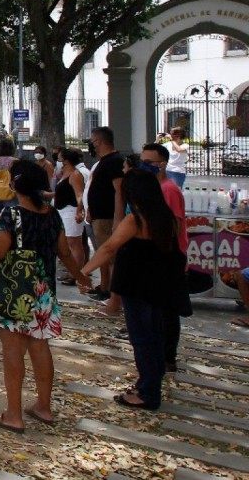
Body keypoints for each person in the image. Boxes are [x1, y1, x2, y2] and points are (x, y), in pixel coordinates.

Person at [0, 161, 89, 433]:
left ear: (16, 185)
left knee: (13, 352)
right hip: (44, 291)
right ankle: (44, 407)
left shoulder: (12, 215)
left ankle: (14, 413)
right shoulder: (52, 215)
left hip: (15, 292)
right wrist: (81, 277)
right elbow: (65, 253)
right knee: (40, 347)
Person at [80, 171, 189, 410]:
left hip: (137, 286)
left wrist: (84, 271)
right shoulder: (167, 218)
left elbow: (109, 247)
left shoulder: (136, 220)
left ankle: (148, 393)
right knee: (155, 337)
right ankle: (148, 384)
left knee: (142, 339)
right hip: (159, 286)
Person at [140, 142, 188, 371]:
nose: (144, 166)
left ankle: (168, 356)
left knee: (167, 310)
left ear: (162, 164)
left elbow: (175, 225)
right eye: (143, 161)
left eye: (149, 162)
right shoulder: (151, 188)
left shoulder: (169, 190)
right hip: (155, 256)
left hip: (168, 257)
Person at [86, 126, 125, 310]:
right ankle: (104, 286)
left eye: (92, 141)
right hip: (98, 215)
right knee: (102, 252)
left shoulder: (114, 161)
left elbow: (119, 190)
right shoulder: (104, 161)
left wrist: (118, 218)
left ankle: (113, 295)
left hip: (108, 217)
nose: (91, 145)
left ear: (99, 141)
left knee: (109, 256)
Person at [55, 149, 90, 287]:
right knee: (67, 243)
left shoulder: (75, 175)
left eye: (60, 158)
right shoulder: (65, 173)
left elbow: (79, 194)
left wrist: (79, 211)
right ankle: (72, 272)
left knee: (74, 243)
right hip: (63, 211)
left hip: (71, 211)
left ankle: (76, 274)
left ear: (66, 160)